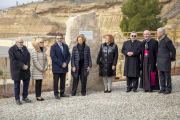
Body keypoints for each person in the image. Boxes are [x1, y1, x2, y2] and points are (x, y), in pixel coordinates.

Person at [8, 37, 31, 105]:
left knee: (26, 84)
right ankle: (17, 99)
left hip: (26, 70)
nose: (21, 44)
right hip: (17, 70)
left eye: (22, 42)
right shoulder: (11, 49)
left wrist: (27, 65)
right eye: (20, 42)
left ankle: (25, 97)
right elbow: (13, 60)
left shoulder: (24, 48)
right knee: (17, 85)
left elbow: (28, 57)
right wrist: (22, 66)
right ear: (16, 42)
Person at [50, 33, 70, 99]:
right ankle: (56, 94)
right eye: (58, 38)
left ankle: (62, 93)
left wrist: (66, 63)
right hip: (57, 67)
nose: (59, 39)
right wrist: (61, 64)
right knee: (56, 81)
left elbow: (68, 56)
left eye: (60, 38)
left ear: (62, 38)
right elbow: (53, 57)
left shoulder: (66, 46)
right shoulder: (53, 47)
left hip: (64, 67)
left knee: (63, 81)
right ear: (56, 39)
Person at [157, 27, 176, 94]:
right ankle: (163, 88)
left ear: (162, 33)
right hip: (160, 60)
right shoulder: (159, 40)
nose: (157, 34)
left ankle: (168, 89)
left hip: (165, 61)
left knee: (167, 76)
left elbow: (173, 50)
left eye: (158, 33)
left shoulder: (167, 40)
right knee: (161, 75)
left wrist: (172, 58)